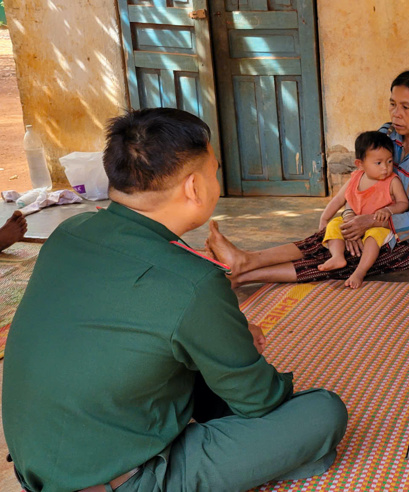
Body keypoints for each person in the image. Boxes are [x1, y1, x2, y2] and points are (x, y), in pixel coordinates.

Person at [3, 108, 348, 492]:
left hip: (39, 462)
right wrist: (233, 343)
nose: (215, 182)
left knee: (190, 360)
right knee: (322, 414)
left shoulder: (70, 232)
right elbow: (261, 400)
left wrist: (221, 337)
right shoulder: (193, 281)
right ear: (193, 187)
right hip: (119, 480)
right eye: (214, 171)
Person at [207, 69, 409, 285]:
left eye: (406, 107)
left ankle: (242, 277)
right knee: (328, 239)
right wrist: (352, 218)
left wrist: (371, 223)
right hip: (371, 219)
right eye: (393, 104)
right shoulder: (386, 135)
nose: (396, 114)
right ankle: (246, 260)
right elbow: (361, 182)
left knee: (354, 261)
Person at [318, 131, 409, 288]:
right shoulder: (355, 178)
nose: (386, 168)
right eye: (378, 163)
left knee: (373, 238)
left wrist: (389, 210)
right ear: (360, 164)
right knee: (334, 225)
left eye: (389, 161)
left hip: (377, 224)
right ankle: (337, 256)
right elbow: (338, 199)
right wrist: (324, 219)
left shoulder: (392, 181)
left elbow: (403, 203)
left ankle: (360, 271)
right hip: (355, 220)